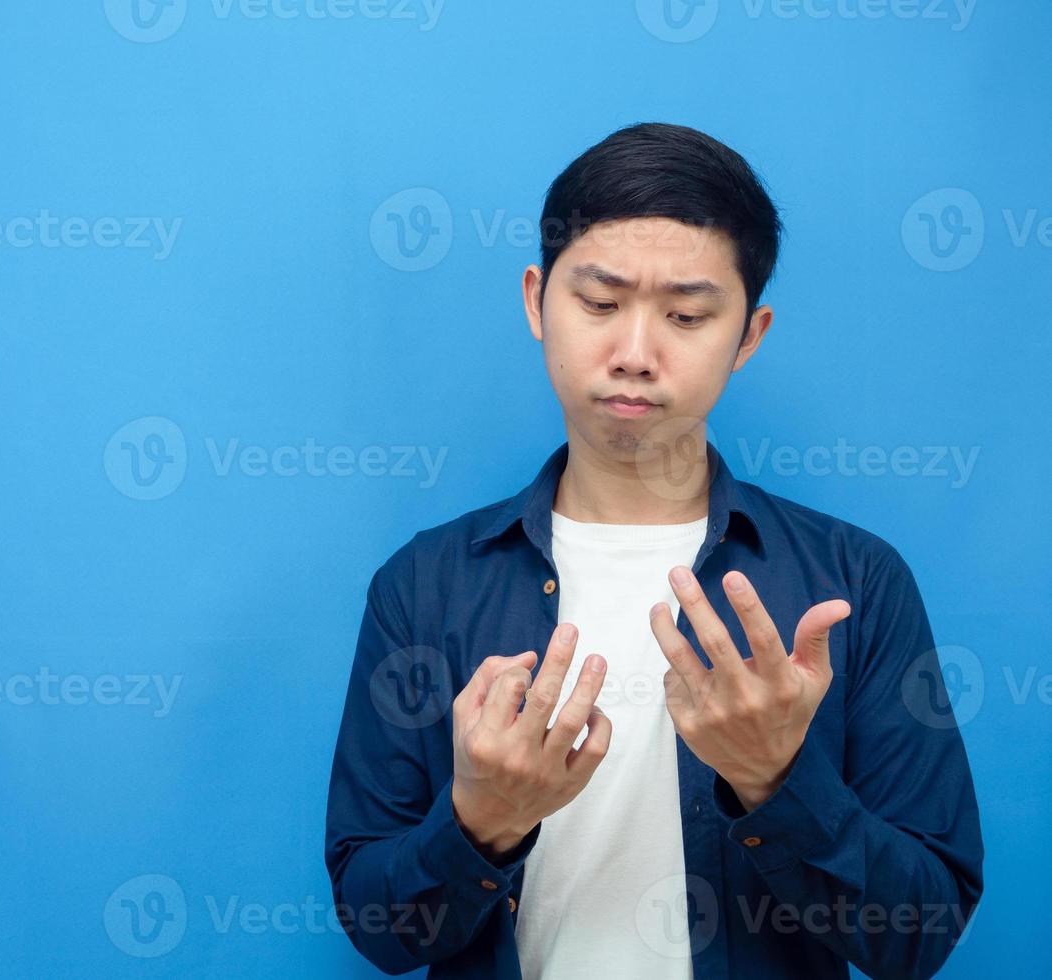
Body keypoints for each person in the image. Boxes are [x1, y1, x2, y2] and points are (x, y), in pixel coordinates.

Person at [323, 121, 983, 979]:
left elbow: (920, 936)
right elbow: (378, 930)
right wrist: (479, 822)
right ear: (535, 301)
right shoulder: (425, 584)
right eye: (598, 304)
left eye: (686, 315)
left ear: (747, 335)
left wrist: (777, 781)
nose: (634, 354)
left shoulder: (854, 581)